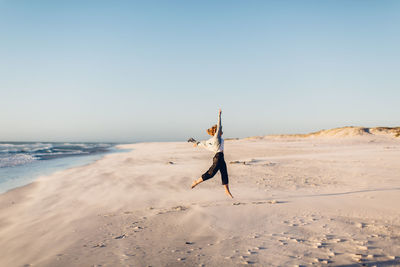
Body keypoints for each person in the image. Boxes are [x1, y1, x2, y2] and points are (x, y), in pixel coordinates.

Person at [191, 109, 233, 198]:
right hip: (218, 158)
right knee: (211, 174)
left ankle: (227, 191)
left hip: (221, 158)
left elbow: (203, 144)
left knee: (224, 173)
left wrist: (197, 143)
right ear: (216, 132)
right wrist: (219, 115)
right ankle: (196, 182)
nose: (222, 131)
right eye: (220, 130)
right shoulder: (216, 138)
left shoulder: (212, 140)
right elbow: (219, 126)